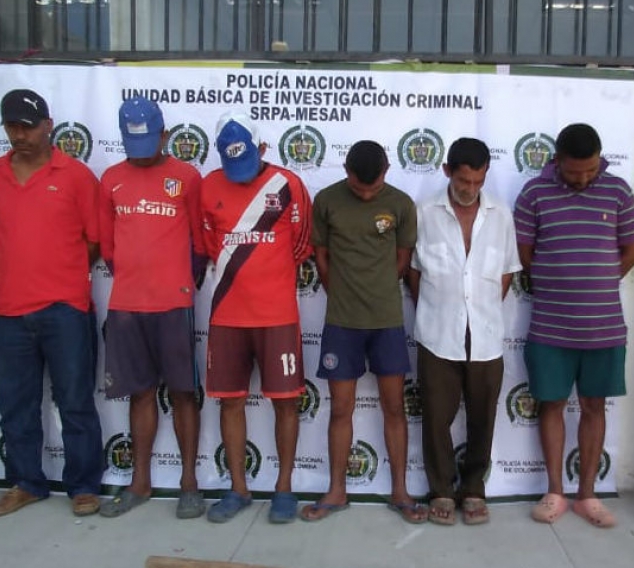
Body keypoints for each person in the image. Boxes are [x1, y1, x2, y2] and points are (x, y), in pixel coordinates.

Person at [0, 89, 103, 518]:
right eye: (12, 126)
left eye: (28, 126)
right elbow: (1, 234)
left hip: (64, 307)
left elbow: (94, 240)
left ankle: (84, 486)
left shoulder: (77, 176)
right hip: (8, 310)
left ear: (48, 125)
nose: (20, 134)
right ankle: (26, 482)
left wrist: (59, 274)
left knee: (75, 401)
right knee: (16, 404)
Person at [513, 124, 634, 528]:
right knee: (550, 403)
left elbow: (631, 249)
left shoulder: (618, 190)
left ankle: (588, 495)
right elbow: (525, 253)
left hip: (604, 328)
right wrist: (561, 281)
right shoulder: (534, 193)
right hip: (550, 327)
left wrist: (598, 280)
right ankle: (554, 492)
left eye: (590, 171)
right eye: (574, 172)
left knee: (594, 406)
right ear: (557, 161)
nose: (583, 178)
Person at [301, 140, 427, 524]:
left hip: (387, 322)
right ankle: (336, 490)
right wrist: (339, 292)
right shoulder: (325, 200)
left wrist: (376, 292)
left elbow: (403, 259)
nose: (367, 194)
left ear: (387, 170)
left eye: (373, 189)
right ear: (346, 171)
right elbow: (320, 254)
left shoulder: (402, 204)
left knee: (393, 408)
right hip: (341, 323)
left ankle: (401, 491)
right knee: (341, 409)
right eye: (359, 189)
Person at [199, 112, 312, 524]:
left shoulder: (289, 185)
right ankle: (238, 489)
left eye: (247, 161)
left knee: (286, 404)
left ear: (262, 148)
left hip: (277, 314)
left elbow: (300, 246)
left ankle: (284, 488)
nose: (239, 174)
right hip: (227, 315)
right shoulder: (208, 185)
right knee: (230, 403)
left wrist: (267, 274)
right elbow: (210, 241)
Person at [96, 95, 206, 520]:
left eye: (149, 143)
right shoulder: (111, 179)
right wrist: (134, 279)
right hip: (127, 306)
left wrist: (177, 282)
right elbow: (107, 246)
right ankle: (139, 482)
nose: (140, 156)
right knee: (140, 394)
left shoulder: (186, 177)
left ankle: (189, 485)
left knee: (182, 393)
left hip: (173, 305)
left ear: (164, 134)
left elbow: (199, 241)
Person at [406, 137, 522, 526]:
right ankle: (440, 488)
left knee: (482, 417)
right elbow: (414, 272)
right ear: (447, 172)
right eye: (462, 181)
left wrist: (478, 309)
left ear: (486, 173)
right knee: (436, 417)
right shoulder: (424, 213)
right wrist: (445, 307)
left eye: (477, 181)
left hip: (486, 333)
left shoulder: (501, 215)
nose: (469, 189)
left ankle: (473, 489)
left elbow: (505, 272)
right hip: (437, 331)